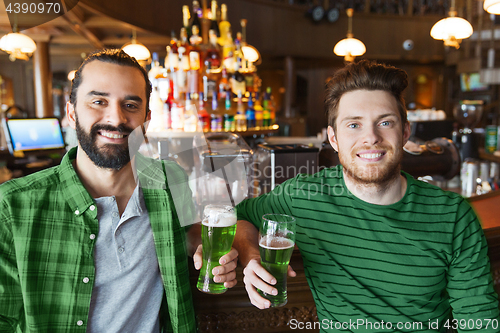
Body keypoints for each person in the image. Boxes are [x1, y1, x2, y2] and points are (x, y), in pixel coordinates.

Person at [234, 60, 499, 332]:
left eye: (385, 122)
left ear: (405, 132)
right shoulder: (304, 196)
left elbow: (479, 321)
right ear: (333, 138)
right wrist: (251, 256)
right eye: (353, 125)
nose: (371, 137)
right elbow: (238, 217)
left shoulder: (452, 216)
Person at [0, 49, 238, 333]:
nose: (116, 118)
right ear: (71, 113)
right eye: (98, 101)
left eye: (130, 105)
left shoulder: (169, 177)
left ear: (146, 121)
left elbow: (188, 233)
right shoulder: (12, 205)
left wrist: (206, 248)